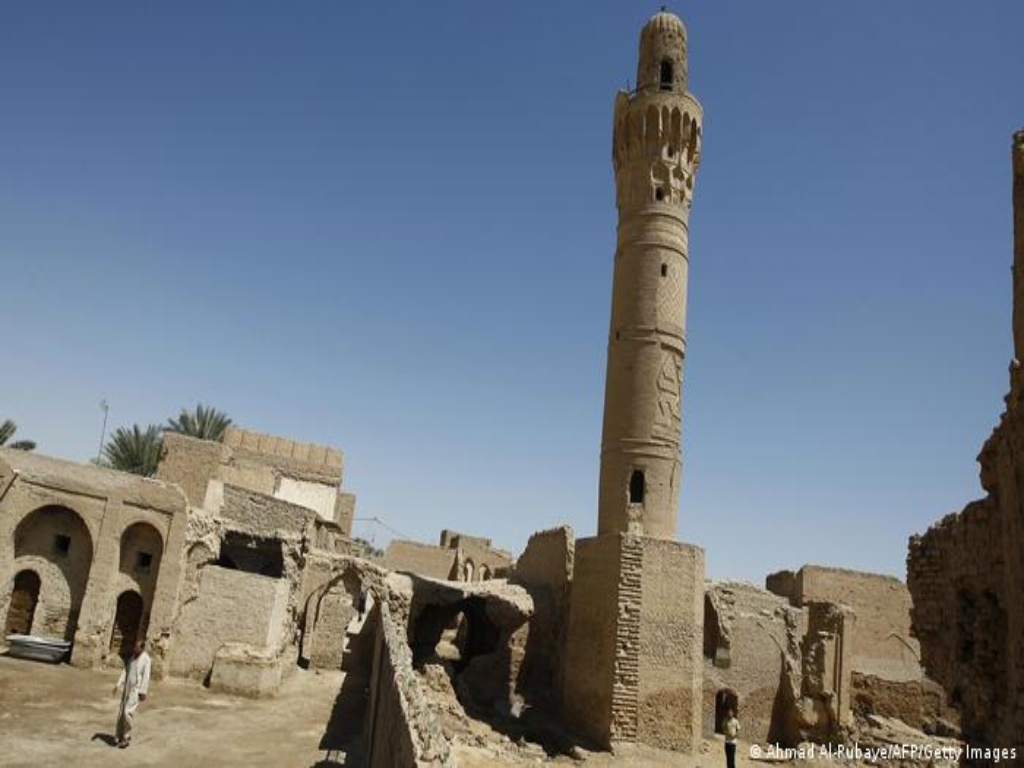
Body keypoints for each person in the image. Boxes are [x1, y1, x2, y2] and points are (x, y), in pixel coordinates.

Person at [112, 639, 151, 749]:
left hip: (136, 690)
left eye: (137, 647)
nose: (135, 649)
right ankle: (118, 736)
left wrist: (143, 692)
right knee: (121, 713)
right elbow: (126, 671)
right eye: (135, 647)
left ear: (142, 648)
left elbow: (146, 676)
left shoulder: (146, 659)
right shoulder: (133, 658)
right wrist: (118, 684)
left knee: (127, 712)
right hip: (127, 689)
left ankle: (126, 737)